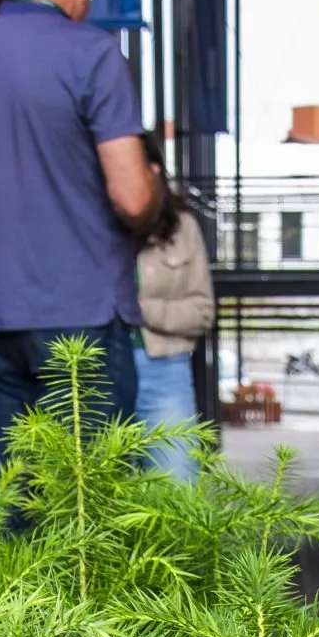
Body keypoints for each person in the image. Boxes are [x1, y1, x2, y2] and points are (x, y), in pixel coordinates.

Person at [0, 0, 162, 472]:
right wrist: (154, 185)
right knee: (93, 506)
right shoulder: (93, 55)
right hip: (82, 321)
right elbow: (132, 199)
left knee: (12, 510)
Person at [132, 131, 214, 479]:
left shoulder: (182, 227)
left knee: (178, 492)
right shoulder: (83, 226)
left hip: (163, 370)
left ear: (152, 170)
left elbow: (203, 311)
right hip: (94, 374)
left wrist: (143, 310)